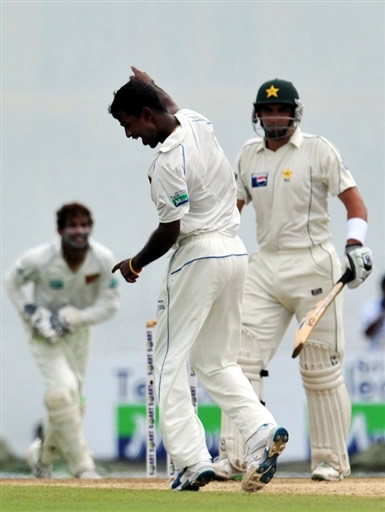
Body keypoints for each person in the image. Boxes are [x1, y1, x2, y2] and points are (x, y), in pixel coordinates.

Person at [109, 67, 289, 493]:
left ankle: (191, 461)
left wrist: (135, 263)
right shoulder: (196, 120)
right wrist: (151, 82)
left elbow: (170, 232)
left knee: (170, 364)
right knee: (217, 362)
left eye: (128, 123)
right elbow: (169, 104)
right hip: (235, 253)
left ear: (146, 114)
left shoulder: (167, 162)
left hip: (199, 256)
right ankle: (263, 431)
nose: (129, 134)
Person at [212, 79, 373, 483]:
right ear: (257, 114)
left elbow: (355, 204)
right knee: (239, 359)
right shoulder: (248, 156)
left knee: (319, 369)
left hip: (314, 265)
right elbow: (231, 212)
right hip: (264, 267)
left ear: (294, 112)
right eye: (266, 110)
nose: (273, 117)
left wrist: (355, 245)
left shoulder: (318, 150)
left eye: (280, 109)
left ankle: (330, 461)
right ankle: (237, 456)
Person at [4, 202, 120, 479]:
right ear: (60, 229)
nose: (79, 231)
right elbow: (11, 282)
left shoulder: (102, 259)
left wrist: (75, 318)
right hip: (44, 335)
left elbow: (110, 304)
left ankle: (41, 457)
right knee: (62, 390)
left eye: (84, 225)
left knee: (71, 400)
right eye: (73, 226)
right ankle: (83, 467)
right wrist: (31, 312)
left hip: (79, 334)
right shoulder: (40, 258)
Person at [360, 274, 385, 351]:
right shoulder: (370, 307)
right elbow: (366, 333)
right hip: (376, 356)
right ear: (382, 288)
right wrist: (382, 313)